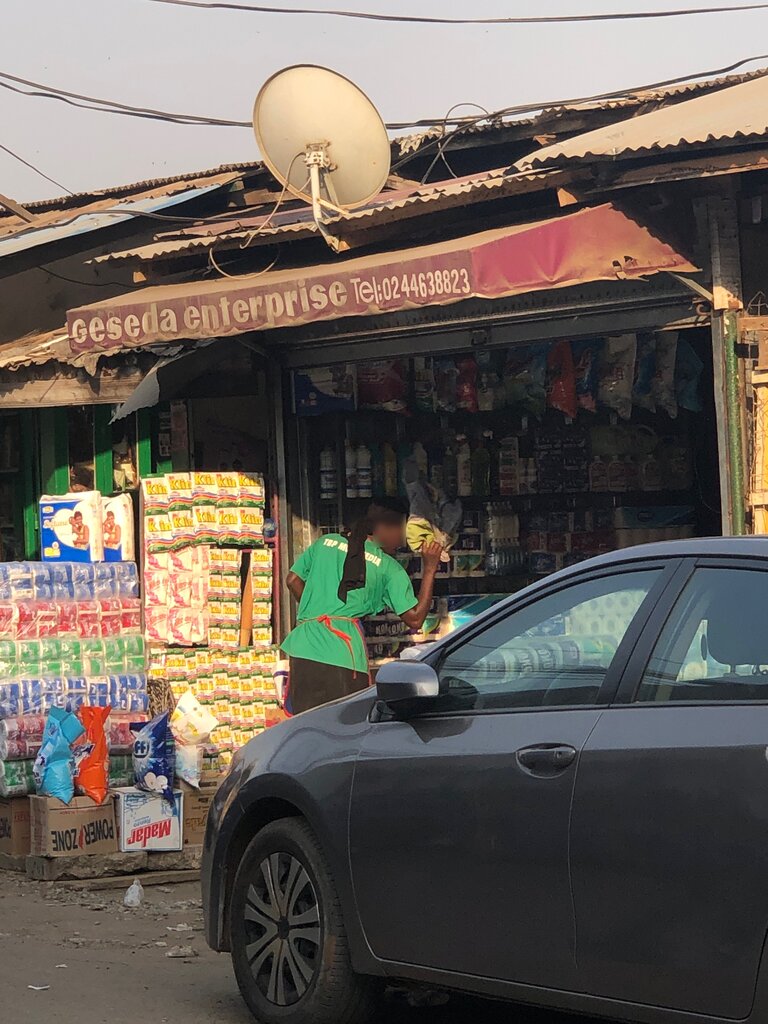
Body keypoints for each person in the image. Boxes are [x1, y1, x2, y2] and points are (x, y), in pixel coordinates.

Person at [282, 502, 443, 715]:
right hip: (342, 654)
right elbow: (415, 619)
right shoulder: (389, 568)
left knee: (305, 722)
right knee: (344, 723)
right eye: (402, 530)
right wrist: (430, 568)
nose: (402, 541)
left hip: (303, 647)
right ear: (383, 527)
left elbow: (293, 580)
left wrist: (319, 607)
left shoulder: (324, 543)